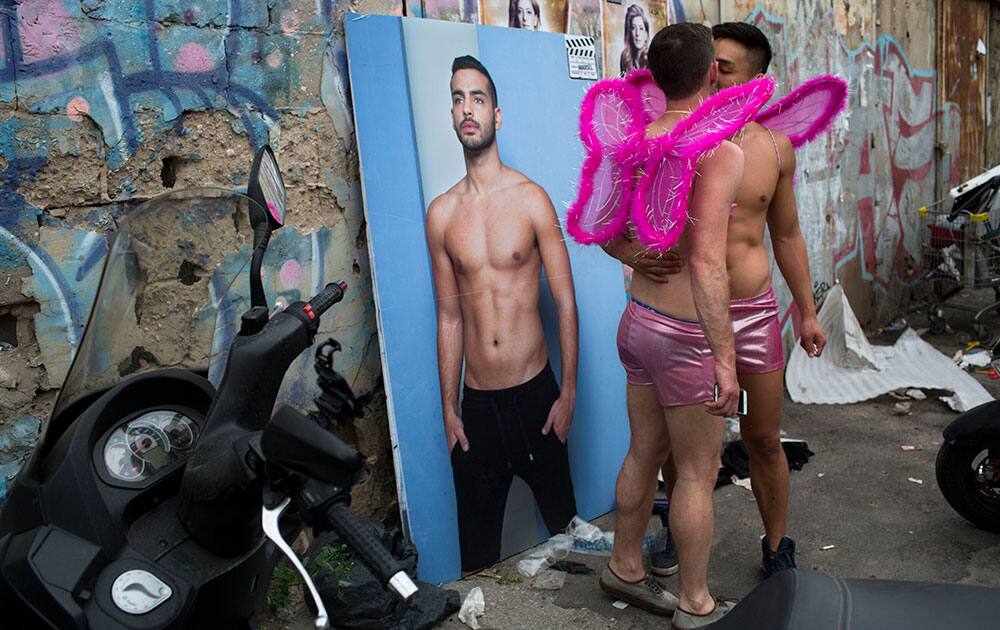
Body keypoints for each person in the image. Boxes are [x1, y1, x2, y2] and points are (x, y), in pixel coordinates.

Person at [646, 22, 828, 581]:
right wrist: (631, 257)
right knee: (680, 449)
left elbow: (788, 234)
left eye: (724, 66)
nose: (712, 72)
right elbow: (616, 213)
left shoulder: (773, 150)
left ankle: (777, 545)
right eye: (710, 63)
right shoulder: (672, 140)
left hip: (751, 315)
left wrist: (807, 310)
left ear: (754, 78)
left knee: (763, 438)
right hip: (686, 315)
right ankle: (679, 536)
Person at [597, 23, 743, 629]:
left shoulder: (630, 142)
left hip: (638, 320)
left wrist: (632, 257)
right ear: (712, 73)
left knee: (644, 449)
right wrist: (726, 360)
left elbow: (600, 229)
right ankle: (696, 602)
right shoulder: (719, 150)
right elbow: (708, 262)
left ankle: (624, 567)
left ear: (652, 74)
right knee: (697, 473)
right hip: (684, 336)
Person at [426, 55, 580, 574]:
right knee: (477, 559)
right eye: (457, 98)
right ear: (451, 115)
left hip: (536, 396)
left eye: (477, 98)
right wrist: (448, 408)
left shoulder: (532, 199)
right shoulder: (442, 215)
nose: (467, 108)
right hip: (477, 410)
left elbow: (565, 300)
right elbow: (449, 316)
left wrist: (568, 392)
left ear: (497, 114)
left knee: (567, 539)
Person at [619, 4, 650, 75]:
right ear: (629, 33)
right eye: (633, 28)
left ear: (646, 34)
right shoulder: (625, 57)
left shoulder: (651, 57)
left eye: (641, 28)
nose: (637, 33)